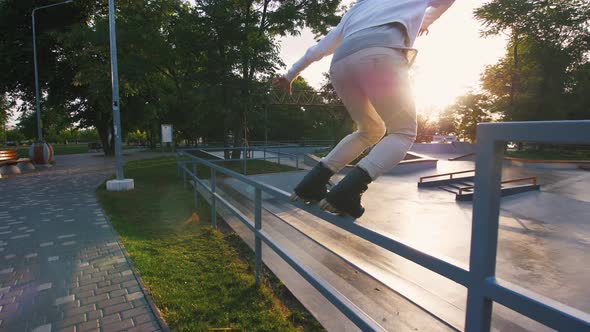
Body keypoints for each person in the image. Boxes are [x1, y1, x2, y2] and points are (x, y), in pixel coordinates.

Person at [273, 0, 455, 218]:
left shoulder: (357, 9)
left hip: (341, 63)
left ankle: (310, 185)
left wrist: (290, 74)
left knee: (370, 130)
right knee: (402, 132)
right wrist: (426, 20)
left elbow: (318, 49)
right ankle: (346, 193)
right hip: (382, 52)